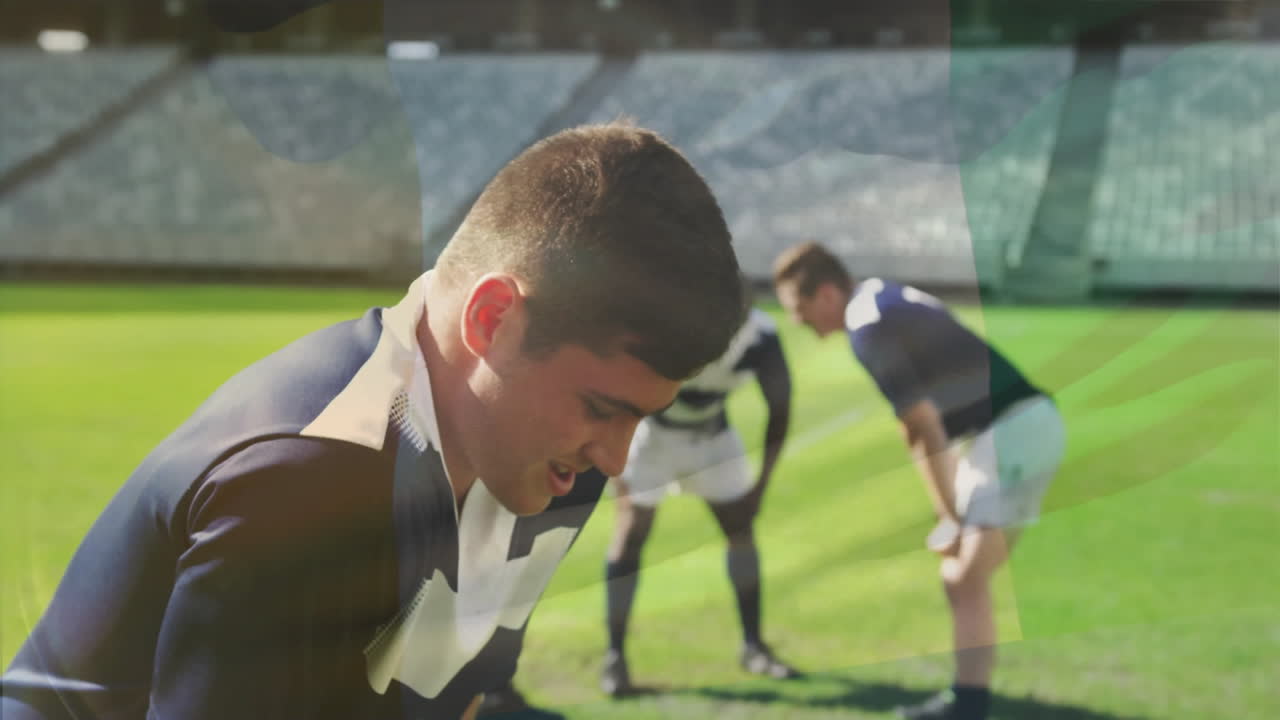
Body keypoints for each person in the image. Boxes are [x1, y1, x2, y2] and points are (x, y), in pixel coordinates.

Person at [1, 123, 745, 720]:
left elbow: (453, 691)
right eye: (602, 408)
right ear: (492, 319)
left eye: (641, 418)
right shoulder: (303, 481)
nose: (617, 459)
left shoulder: (547, 463)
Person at [771, 241, 1065, 720]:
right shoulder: (881, 295)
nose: (799, 322)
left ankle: (967, 707)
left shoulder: (866, 326)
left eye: (800, 309)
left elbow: (920, 427)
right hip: (1013, 430)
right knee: (962, 578)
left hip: (1011, 432)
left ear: (826, 294)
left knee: (966, 576)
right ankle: (968, 700)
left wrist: (948, 515)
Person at [600, 296, 797, 696]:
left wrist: (761, 486)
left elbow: (780, 407)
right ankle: (615, 658)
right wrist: (614, 457)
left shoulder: (761, 336)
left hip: (713, 439)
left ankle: (754, 646)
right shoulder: (672, 324)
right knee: (632, 532)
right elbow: (618, 380)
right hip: (654, 436)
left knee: (740, 533)